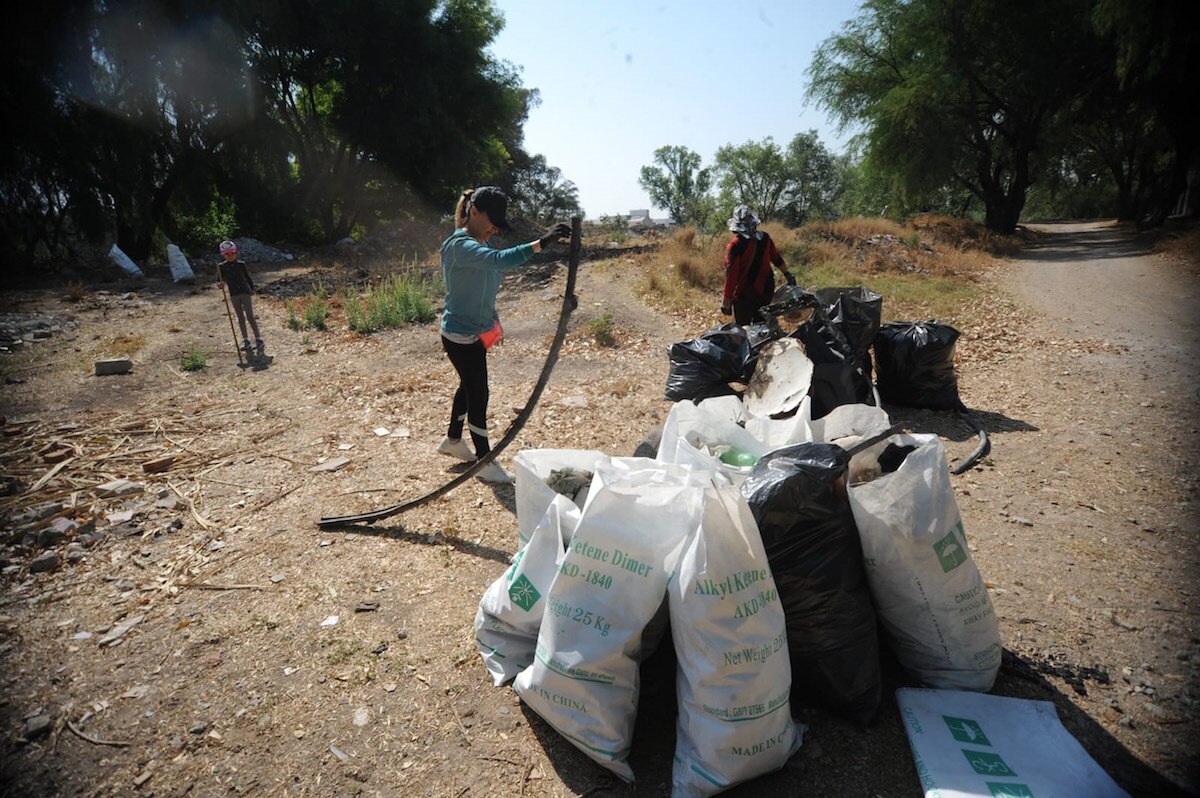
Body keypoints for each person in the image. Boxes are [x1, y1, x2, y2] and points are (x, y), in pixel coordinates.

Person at [437, 186, 571, 484]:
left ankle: (453, 441)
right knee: (478, 393)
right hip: (460, 335)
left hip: (476, 331)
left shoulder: (480, 245)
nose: (495, 226)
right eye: (491, 219)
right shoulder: (460, 246)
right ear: (473, 212)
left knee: (468, 386)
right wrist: (540, 243)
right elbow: (498, 262)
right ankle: (484, 462)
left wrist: (494, 321)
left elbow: (486, 286)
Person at [720, 205, 795, 326]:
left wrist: (726, 301)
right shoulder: (765, 238)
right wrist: (788, 275)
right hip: (765, 291)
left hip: (744, 294)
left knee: (744, 330)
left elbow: (732, 275)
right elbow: (777, 260)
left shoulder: (735, 244)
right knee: (762, 329)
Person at [216, 240, 266, 358]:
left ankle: (258, 338)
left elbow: (247, 277)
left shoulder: (241, 264)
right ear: (223, 254)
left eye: (232, 253)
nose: (230, 256)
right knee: (240, 317)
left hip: (245, 292)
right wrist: (220, 284)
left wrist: (252, 288)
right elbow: (219, 280)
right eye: (227, 254)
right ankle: (245, 339)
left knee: (250, 316)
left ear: (236, 253)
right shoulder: (221, 267)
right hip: (234, 294)